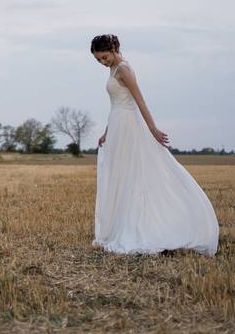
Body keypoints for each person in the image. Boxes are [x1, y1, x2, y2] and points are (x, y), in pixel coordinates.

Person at [90, 34, 218, 257]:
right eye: (98, 60)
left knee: (135, 175)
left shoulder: (124, 69)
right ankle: (122, 224)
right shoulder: (113, 69)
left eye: (104, 58)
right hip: (118, 125)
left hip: (130, 126)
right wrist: (106, 132)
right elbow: (116, 105)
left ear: (112, 49)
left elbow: (139, 101)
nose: (102, 63)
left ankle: (152, 227)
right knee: (122, 176)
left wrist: (153, 130)